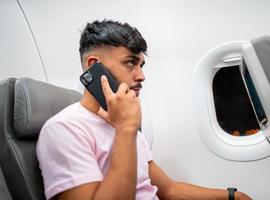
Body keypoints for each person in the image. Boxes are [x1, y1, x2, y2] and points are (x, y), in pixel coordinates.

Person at [37, 19, 252, 200]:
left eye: (141, 65)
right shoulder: (65, 129)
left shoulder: (123, 122)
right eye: (131, 63)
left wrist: (233, 195)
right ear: (95, 66)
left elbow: (167, 189)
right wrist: (126, 130)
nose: (141, 76)